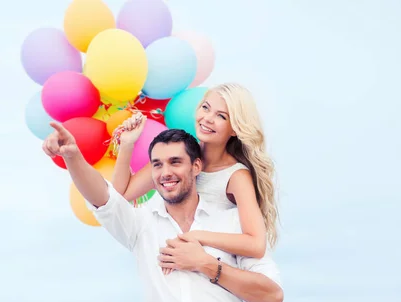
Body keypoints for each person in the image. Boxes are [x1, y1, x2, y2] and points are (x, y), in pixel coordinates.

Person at [42, 124, 283, 302]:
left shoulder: (231, 222)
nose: (165, 173)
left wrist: (206, 264)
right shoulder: (141, 225)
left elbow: (272, 295)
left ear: (196, 166)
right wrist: (73, 157)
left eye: (175, 162)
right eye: (157, 164)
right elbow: (104, 198)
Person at [112, 83, 278, 263]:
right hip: (173, 263)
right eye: (205, 107)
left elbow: (256, 244)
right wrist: (127, 144)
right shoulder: (179, 156)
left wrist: (198, 236)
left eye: (221, 116)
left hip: (210, 271)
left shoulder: (236, 177)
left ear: (235, 128)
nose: (207, 118)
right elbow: (121, 194)